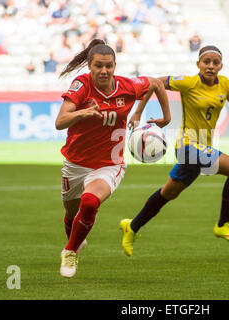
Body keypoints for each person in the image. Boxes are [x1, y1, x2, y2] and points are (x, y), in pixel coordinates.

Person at [118, 45, 229, 257]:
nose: (210, 66)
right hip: (188, 146)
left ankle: (132, 227)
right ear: (198, 64)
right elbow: (153, 83)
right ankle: (223, 224)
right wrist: (138, 113)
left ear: (221, 66)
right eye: (206, 61)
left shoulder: (225, 84)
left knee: (167, 194)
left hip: (203, 147)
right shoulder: (188, 83)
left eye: (215, 62)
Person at [55, 38, 171, 278]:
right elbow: (60, 122)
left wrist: (163, 117)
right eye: (98, 66)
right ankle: (76, 239)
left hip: (109, 164)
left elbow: (156, 84)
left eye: (109, 65)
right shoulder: (81, 86)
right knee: (70, 213)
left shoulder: (127, 86)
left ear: (115, 66)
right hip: (75, 163)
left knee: (89, 203)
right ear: (90, 66)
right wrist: (83, 112)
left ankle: (70, 252)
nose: (104, 71)